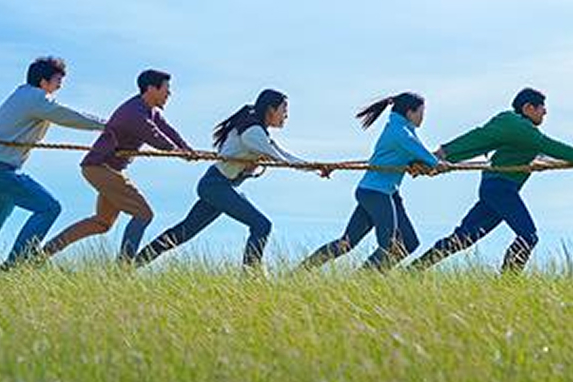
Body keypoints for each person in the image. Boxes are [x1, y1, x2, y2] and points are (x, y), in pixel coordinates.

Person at [0, 56, 109, 270]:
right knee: (49, 208)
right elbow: (69, 116)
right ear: (44, 82)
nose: (60, 85)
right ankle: (14, 266)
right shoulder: (37, 99)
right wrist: (108, 125)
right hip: (0, 172)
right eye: (57, 80)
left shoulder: (22, 95)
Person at [135, 89, 327, 269]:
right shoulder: (254, 132)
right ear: (271, 109)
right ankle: (250, 277)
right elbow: (283, 158)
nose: (286, 115)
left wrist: (313, 166)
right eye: (284, 110)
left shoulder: (256, 128)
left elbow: (278, 154)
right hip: (216, 186)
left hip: (219, 186)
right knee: (262, 225)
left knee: (185, 231)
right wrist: (315, 168)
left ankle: (134, 264)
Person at [410, 88, 573, 273]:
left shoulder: (521, 129)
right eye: (542, 108)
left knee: (463, 238)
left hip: (496, 189)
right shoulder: (517, 126)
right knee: (528, 236)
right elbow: (549, 146)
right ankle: (508, 281)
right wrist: (438, 156)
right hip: (500, 189)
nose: (545, 112)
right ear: (528, 108)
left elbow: (544, 152)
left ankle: (414, 270)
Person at [42, 69, 194, 262]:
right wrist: (177, 151)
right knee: (143, 214)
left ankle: (43, 254)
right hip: (100, 167)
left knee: (102, 222)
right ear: (151, 89)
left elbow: (167, 131)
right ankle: (123, 268)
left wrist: (187, 149)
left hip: (106, 169)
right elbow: (154, 135)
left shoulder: (152, 111)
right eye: (166, 89)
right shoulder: (134, 111)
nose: (169, 94)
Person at [300, 92, 441, 270]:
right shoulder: (400, 133)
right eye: (422, 111)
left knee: (407, 242)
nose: (423, 116)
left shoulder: (402, 129)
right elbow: (428, 158)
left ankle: (355, 278)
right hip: (377, 194)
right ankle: (363, 280)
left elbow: (416, 155)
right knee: (390, 246)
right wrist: (438, 164)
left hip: (382, 192)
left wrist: (418, 163)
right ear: (410, 112)